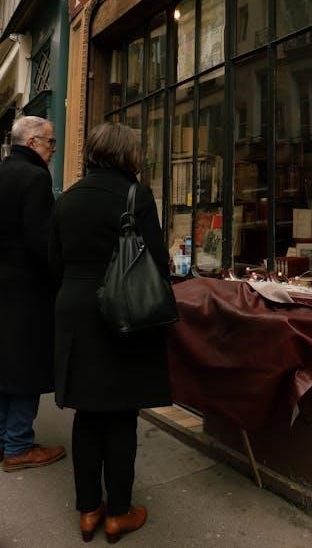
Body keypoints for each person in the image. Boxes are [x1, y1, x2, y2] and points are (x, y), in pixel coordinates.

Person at [49, 122, 172, 543]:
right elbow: (157, 262)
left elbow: (53, 261)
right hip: (122, 312)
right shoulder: (136, 195)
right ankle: (118, 511)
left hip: (75, 310)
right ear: (127, 154)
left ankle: (88, 510)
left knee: (86, 414)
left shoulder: (67, 199)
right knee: (120, 415)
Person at [0, 115, 66, 471]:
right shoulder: (36, 178)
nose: (53, 148)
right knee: (26, 368)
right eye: (50, 141)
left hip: (4, 288)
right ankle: (18, 446)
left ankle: (4, 440)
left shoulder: (3, 171)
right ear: (32, 143)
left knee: (4, 366)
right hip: (26, 292)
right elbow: (42, 243)